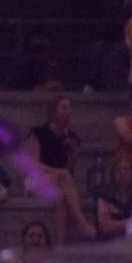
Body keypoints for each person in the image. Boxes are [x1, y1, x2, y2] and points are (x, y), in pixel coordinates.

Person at [26, 96, 98, 243]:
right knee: (61, 179)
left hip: (60, 182)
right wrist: (55, 172)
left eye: (69, 108)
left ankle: (60, 246)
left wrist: (72, 154)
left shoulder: (71, 138)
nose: (68, 111)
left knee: (60, 198)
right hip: (37, 178)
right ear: (54, 111)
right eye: (64, 107)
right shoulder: (38, 133)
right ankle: (82, 223)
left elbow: (69, 171)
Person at [95, 156, 132, 241]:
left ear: (131, 173)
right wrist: (130, 223)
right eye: (118, 170)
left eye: (126, 169)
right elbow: (105, 226)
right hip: (109, 243)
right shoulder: (104, 197)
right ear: (113, 174)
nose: (122, 173)